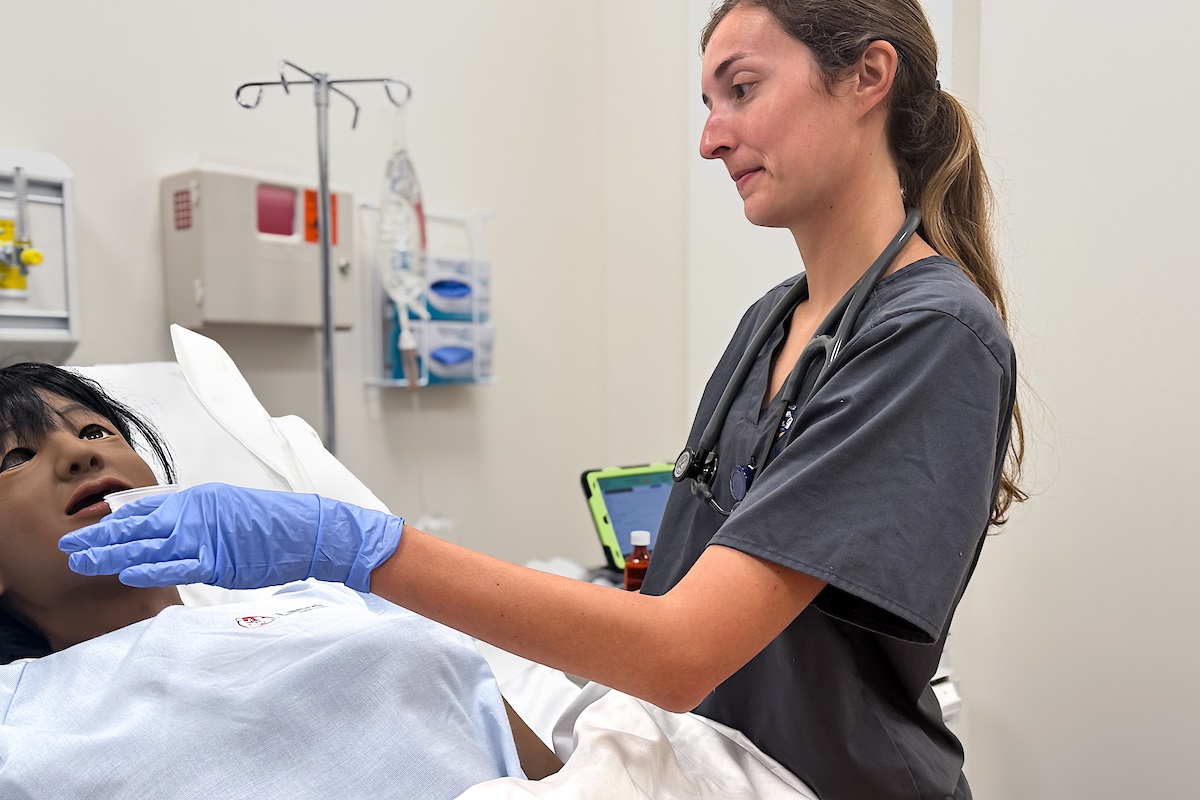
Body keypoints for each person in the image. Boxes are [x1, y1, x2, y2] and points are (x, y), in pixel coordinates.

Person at [62, 2, 1024, 798]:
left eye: (742, 89)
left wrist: (356, 547)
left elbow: (683, 652)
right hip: (695, 751)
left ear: (869, 77)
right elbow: (682, 600)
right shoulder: (778, 319)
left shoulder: (929, 334)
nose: (709, 138)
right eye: (706, 101)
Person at [0, 363, 536, 798]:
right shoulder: (15, 713)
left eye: (94, 429)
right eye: (15, 458)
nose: (79, 453)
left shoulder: (334, 597)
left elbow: (552, 779)